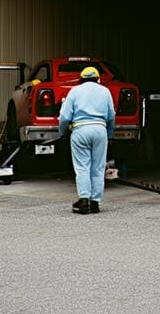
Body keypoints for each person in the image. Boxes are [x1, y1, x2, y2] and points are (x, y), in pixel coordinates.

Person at [58, 65, 115, 214]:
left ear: (81, 79)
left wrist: (62, 132)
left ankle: (83, 200)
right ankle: (95, 202)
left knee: (82, 166)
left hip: (80, 129)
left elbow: (64, 117)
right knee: (98, 167)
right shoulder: (105, 91)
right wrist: (109, 134)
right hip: (100, 129)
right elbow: (111, 116)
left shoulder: (74, 91)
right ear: (98, 79)